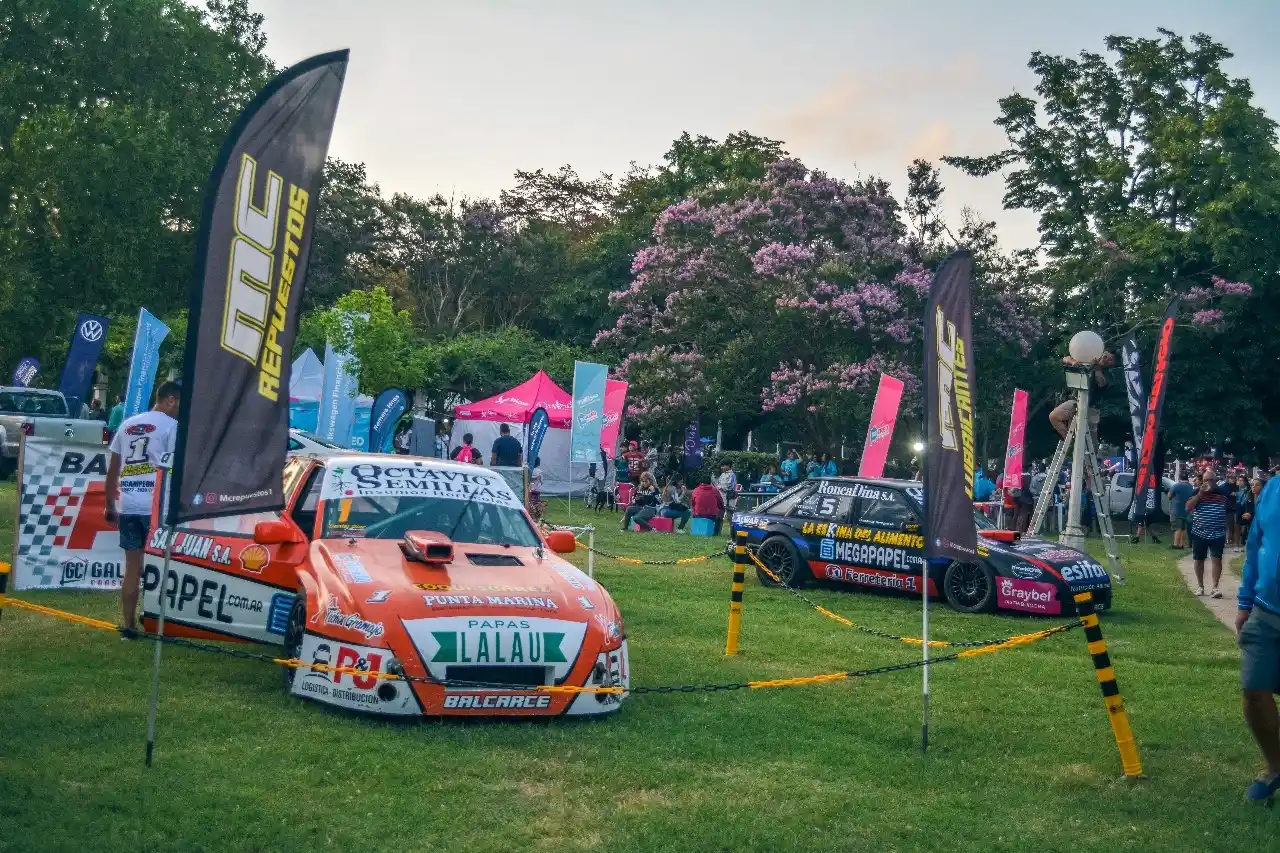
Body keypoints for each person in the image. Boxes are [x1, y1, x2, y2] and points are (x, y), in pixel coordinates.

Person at [103, 381, 181, 635]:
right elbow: (175, 469)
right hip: (157, 506)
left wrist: (109, 504)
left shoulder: (127, 425)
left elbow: (113, 470)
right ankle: (159, 624)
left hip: (128, 504)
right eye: (179, 403)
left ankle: (128, 626)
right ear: (170, 400)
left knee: (132, 569)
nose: (180, 409)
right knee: (162, 567)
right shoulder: (172, 427)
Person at [1236, 475, 1280, 803]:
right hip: (1266, 611)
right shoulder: (1274, 487)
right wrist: (1244, 601)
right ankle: (1276, 766)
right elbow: (1255, 543)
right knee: (1254, 690)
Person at [1187, 466, 1233, 598]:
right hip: (1199, 532)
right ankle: (1200, 586)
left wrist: (1228, 529)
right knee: (1199, 559)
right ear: (1202, 481)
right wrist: (1200, 494)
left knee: (1217, 559)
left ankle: (1215, 587)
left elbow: (1230, 510)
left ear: (1215, 480)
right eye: (1206, 480)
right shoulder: (1196, 492)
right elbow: (1188, 507)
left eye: (1211, 480)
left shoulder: (1223, 493)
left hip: (1218, 533)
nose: (1208, 482)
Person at [1049, 350, 1114, 442]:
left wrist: (1095, 368)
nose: (1107, 360)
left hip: (1090, 409)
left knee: (1091, 444)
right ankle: (1070, 441)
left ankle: (1086, 448)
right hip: (1075, 402)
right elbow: (1065, 358)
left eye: (1110, 359)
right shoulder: (1086, 362)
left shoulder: (1107, 373)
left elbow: (1101, 382)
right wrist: (1073, 362)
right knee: (1054, 416)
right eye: (1105, 357)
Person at [1167, 471, 1196, 550]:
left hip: (1176, 510)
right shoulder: (1190, 487)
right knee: (1183, 528)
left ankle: (1176, 545)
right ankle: (1181, 544)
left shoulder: (1176, 486)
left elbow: (1169, 496)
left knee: (1177, 528)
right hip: (1186, 510)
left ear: (1179, 478)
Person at [1240, 477, 1261, 547]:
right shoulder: (1248, 500)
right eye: (1252, 485)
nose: (1254, 486)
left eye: (1257, 485)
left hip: (1263, 530)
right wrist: (1243, 516)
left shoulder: (1266, 501)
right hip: (1251, 530)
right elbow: (1241, 518)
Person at [528, 457, 544, 521]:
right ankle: (536, 514)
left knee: (529, 501)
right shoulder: (540, 471)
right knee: (536, 502)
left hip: (529, 490)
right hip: (537, 490)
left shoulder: (529, 470)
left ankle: (530, 513)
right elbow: (542, 481)